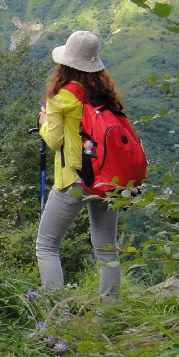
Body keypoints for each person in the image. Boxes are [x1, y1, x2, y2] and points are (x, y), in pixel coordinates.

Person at [36, 30, 122, 298]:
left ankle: (56, 318)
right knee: (106, 248)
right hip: (108, 179)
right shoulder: (105, 96)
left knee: (47, 246)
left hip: (74, 179)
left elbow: (55, 140)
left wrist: (43, 124)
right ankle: (110, 315)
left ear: (65, 63)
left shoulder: (61, 97)